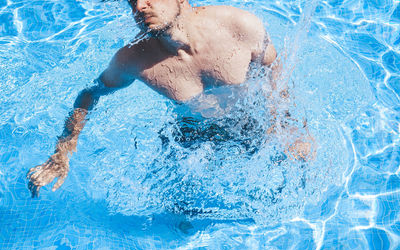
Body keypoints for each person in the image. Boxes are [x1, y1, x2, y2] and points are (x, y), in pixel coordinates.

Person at [27, 0, 308, 198]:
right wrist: (62, 152)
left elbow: (274, 73)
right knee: (178, 212)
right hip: (188, 136)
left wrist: (291, 128)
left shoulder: (240, 27)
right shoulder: (134, 59)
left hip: (248, 121)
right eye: (132, 0)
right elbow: (88, 95)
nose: (138, 7)